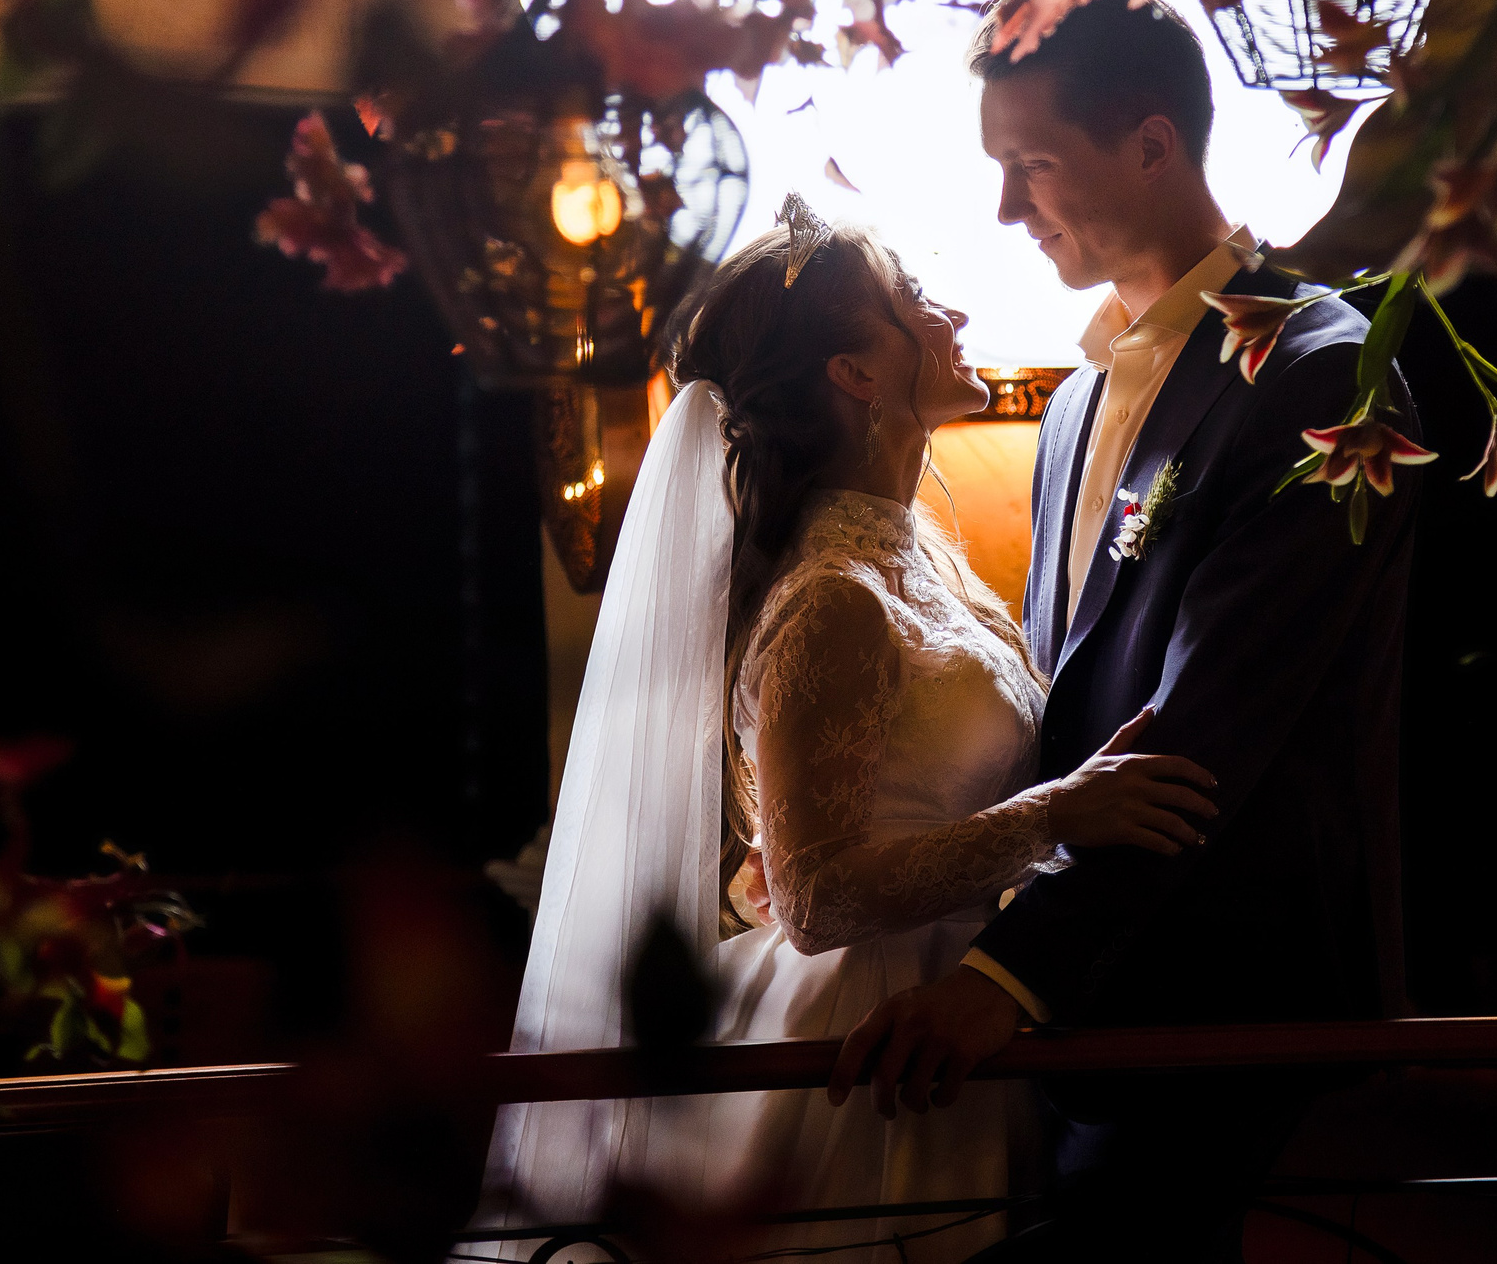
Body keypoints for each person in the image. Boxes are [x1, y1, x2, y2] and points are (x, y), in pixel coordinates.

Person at [472, 198, 1220, 1263]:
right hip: (865, 1039)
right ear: (854, 373)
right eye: (914, 301)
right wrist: (1056, 813)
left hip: (963, 1009)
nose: (951, 311)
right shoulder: (833, 598)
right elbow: (817, 899)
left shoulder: (925, 570)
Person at [827, 0, 1421, 1261]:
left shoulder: (1324, 370)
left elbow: (1214, 726)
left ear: (1152, 146)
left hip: (1226, 983)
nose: (1006, 211)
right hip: (1087, 987)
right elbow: (1068, 707)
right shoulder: (1073, 400)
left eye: (1030, 166)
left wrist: (1002, 981)